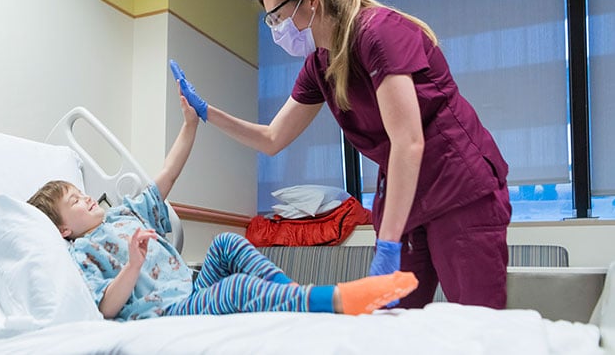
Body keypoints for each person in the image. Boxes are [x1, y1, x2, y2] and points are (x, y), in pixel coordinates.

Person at [171, 0, 512, 309]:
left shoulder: (379, 32)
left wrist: (389, 243)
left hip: (457, 184)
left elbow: (408, 142)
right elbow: (272, 139)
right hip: (405, 196)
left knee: (477, 319)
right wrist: (208, 113)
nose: (275, 29)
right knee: (395, 322)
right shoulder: (320, 64)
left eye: (278, 17)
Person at [27, 93, 418, 321]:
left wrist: (190, 125)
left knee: (226, 245)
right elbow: (107, 308)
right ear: (64, 229)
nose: (87, 197)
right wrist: (132, 265)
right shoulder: (81, 251)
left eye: (82, 192)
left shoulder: (123, 213)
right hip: (166, 314)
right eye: (75, 201)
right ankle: (332, 301)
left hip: (191, 289)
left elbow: (168, 174)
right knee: (236, 289)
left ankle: (294, 294)